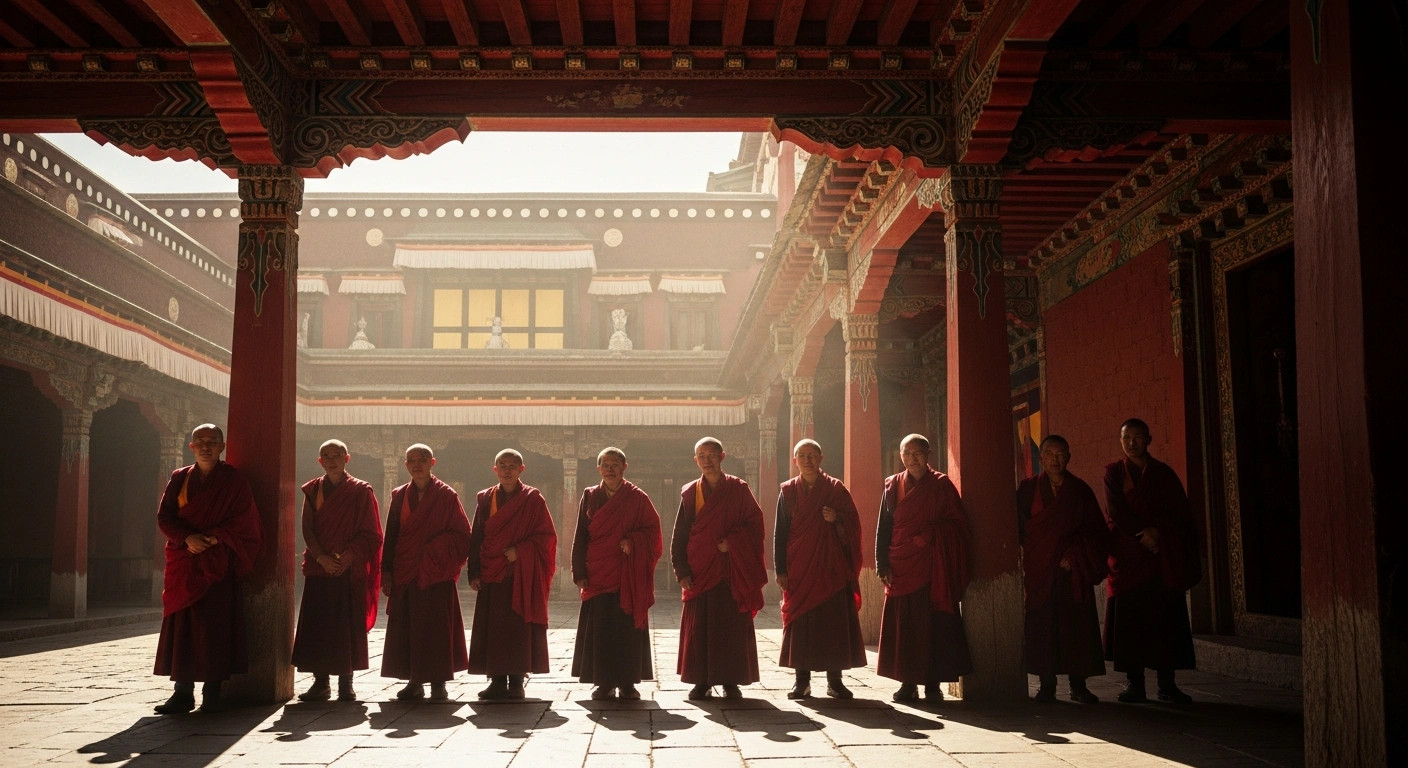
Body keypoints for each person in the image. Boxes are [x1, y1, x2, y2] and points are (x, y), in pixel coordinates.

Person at [152, 424, 263, 715]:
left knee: (215, 627)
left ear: (222, 446)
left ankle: (212, 692)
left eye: (212, 441)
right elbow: (164, 518)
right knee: (183, 627)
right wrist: (187, 538)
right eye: (200, 441)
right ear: (191, 447)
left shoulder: (234, 480)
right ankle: (182, 693)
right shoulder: (180, 478)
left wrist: (214, 538)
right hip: (185, 560)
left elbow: (245, 520)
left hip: (217, 562)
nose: (205, 446)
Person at [1102, 418, 1200, 704]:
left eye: (1138, 437)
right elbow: (1115, 511)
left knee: (1164, 621)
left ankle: (1167, 685)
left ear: (1149, 440)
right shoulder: (1113, 473)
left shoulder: (1164, 474)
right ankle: (1135, 684)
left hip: (1160, 556)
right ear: (1121, 441)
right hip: (1128, 555)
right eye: (1126, 437)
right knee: (1131, 622)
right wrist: (1142, 535)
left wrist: (1158, 532)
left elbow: (1180, 512)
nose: (1132, 443)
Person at [875, 433, 973, 703]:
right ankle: (907, 684)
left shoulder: (941, 485)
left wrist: (933, 533)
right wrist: (882, 563)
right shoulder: (892, 485)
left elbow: (959, 525)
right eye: (907, 453)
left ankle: (932, 684)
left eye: (917, 452)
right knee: (905, 627)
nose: (912, 458)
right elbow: (884, 528)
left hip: (932, 568)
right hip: (901, 565)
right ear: (900, 456)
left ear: (928, 454)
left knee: (932, 626)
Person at [672, 437, 767, 700]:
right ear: (696, 460)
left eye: (712, 455)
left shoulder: (738, 489)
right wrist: (681, 570)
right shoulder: (690, 493)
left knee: (730, 628)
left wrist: (733, 543)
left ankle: (730, 681)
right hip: (700, 571)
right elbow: (680, 534)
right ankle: (700, 681)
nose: (707, 461)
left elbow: (755, 525)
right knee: (699, 629)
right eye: (702, 456)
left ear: (722, 456)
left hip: (730, 570)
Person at [1017, 435, 1109, 704]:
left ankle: (1078, 685)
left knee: (1076, 625)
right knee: (1043, 624)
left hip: (1073, 571)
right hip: (1040, 568)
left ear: (1068, 457)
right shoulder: (1027, 489)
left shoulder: (1080, 490)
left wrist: (1075, 553)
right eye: (1049, 453)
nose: (1055, 459)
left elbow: (1096, 531)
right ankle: (1046, 685)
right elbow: (1017, 527)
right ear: (1041, 457)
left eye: (1060, 454)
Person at [291, 440, 383, 703]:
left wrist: (348, 557)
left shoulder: (360, 491)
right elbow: (308, 528)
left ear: (347, 458)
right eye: (326, 456)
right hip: (320, 567)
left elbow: (371, 533)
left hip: (347, 569)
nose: (332, 460)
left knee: (346, 626)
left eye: (337, 455)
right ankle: (320, 683)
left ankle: (346, 684)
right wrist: (321, 558)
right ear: (320, 460)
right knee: (318, 625)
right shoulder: (312, 489)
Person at [774, 439, 866, 699]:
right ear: (795, 460)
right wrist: (780, 569)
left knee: (833, 624)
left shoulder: (835, 489)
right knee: (801, 624)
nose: (807, 460)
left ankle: (834, 681)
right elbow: (780, 533)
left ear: (821, 458)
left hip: (831, 570)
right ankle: (801, 681)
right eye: (802, 456)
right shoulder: (788, 491)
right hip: (800, 568)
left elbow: (854, 523)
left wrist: (837, 519)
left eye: (812, 455)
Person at [380, 444, 471, 701]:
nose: (417, 464)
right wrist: (387, 571)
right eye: (412, 460)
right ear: (405, 465)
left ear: (432, 462)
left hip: (436, 573)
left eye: (422, 459)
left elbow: (463, 535)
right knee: (409, 627)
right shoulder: (399, 496)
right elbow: (392, 536)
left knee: (437, 628)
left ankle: (439, 683)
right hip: (407, 571)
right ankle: (414, 681)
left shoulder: (446, 496)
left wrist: (433, 550)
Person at [571, 447, 663, 700]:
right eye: (605, 465)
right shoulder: (590, 496)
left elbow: (653, 532)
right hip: (598, 572)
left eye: (615, 465)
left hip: (627, 575)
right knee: (600, 630)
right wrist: (579, 571)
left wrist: (633, 542)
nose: (610, 470)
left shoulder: (637, 498)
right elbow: (581, 535)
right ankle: (603, 683)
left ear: (624, 467)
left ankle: (627, 683)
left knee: (626, 630)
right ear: (598, 469)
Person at [467, 449, 557, 700]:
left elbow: (547, 537)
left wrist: (521, 551)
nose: (507, 471)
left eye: (512, 466)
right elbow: (477, 536)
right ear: (495, 469)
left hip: (521, 574)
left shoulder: (533, 499)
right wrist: (474, 571)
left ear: (521, 469)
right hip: (492, 572)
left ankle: (517, 681)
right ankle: (496, 681)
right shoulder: (486, 498)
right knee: (494, 627)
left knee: (518, 627)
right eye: (502, 466)